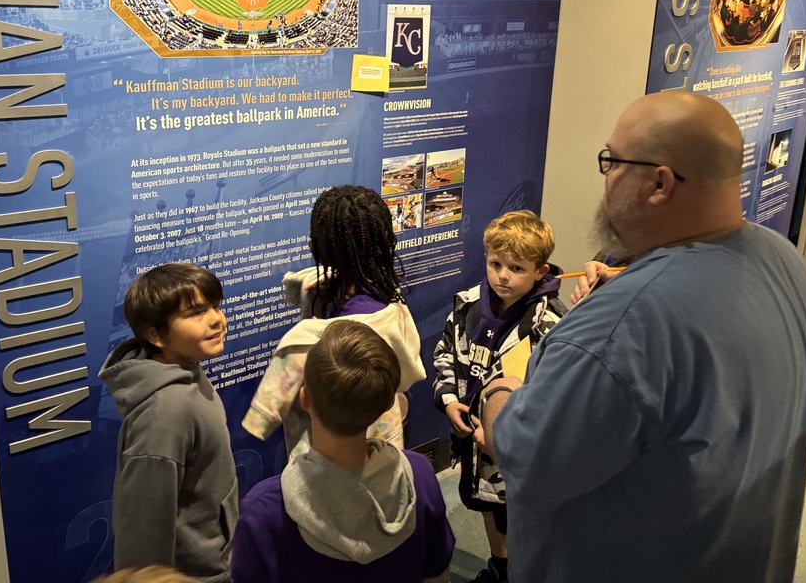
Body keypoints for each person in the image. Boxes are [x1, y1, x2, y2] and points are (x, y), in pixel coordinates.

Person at [482, 91, 806, 582]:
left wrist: (500, 393)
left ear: (660, 183)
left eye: (613, 162)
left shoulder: (624, 327)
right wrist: (632, 283)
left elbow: (527, 457)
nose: (606, 178)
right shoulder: (783, 260)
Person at [231, 320, 455, 583]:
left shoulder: (264, 512)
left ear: (304, 399)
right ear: (386, 405)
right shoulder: (420, 476)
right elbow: (437, 573)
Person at [432, 210, 566, 583]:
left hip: (517, 448)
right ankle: (500, 566)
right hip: (474, 438)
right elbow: (445, 352)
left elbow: (553, 396)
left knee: (521, 514)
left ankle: (522, 570)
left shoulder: (549, 325)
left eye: (517, 268)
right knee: (484, 502)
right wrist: (448, 400)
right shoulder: (468, 306)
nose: (503, 276)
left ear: (541, 271)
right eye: (495, 264)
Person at [243, 184, 426, 456]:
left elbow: (262, 418)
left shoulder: (304, 342)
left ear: (322, 246)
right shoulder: (390, 300)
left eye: (315, 234)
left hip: (325, 453)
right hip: (384, 441)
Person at [99, 263, 238, 583]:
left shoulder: (187, 372)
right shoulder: (164, 414)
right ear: (154, 334)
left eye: (216, 306)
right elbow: (142, 544)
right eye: (196, 313)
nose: (217, 319)